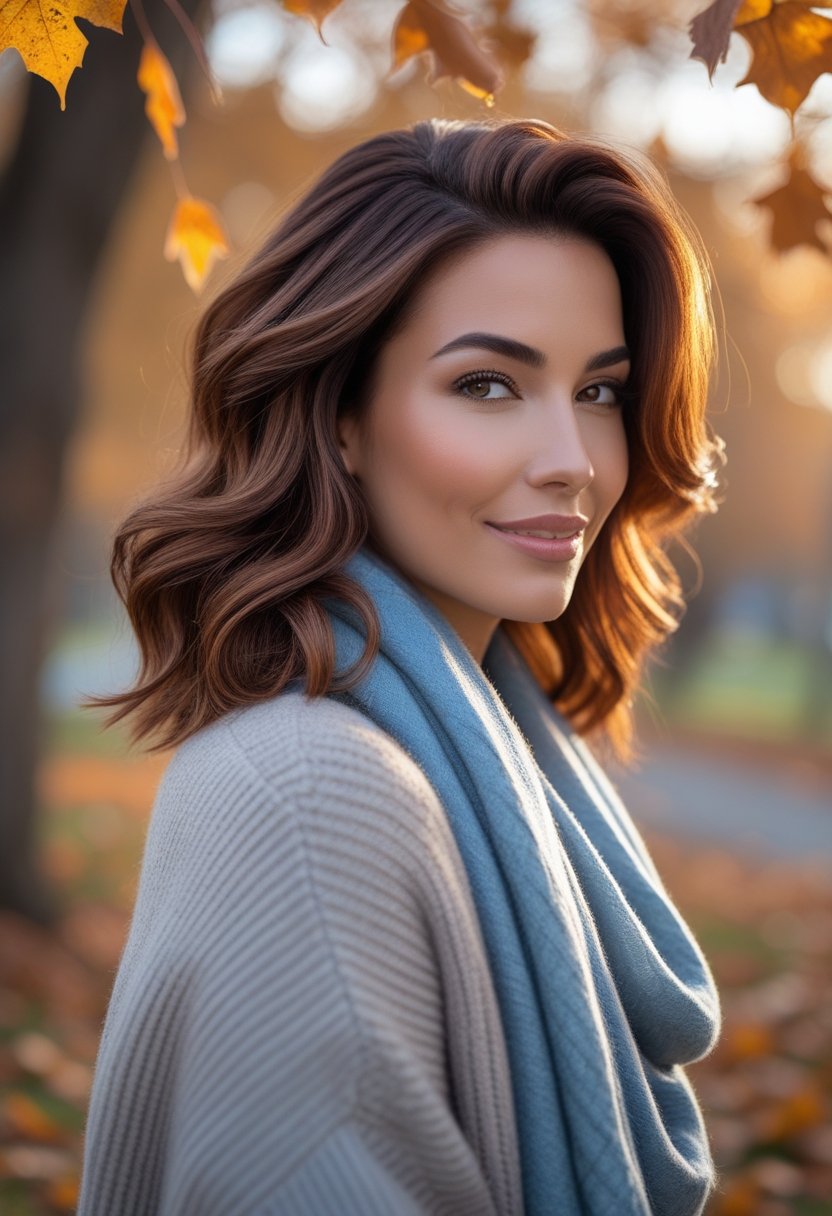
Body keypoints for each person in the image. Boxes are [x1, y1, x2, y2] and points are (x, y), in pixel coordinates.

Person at [76, 117, 725, 1215]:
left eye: (599, 393)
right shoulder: (313, 796)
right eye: (487, 385)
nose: (571, 460)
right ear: (339, 416)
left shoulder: (496, 751)